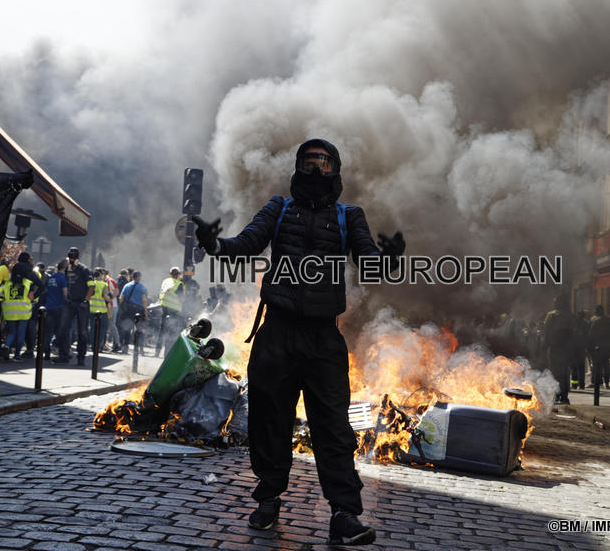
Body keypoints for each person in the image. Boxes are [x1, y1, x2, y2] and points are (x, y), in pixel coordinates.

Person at [193, 138, 404, 546]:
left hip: (322, 337)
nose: (315, 170)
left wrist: (390, 257)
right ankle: (269, 499)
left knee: (333, 427)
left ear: (335, 169)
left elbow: (369, 262)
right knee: (270, 421)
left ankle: (344, 514)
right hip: (277, 334)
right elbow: (246, 244)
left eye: (323, 163)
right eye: (308, 162)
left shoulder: (349, 216)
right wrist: (214, 245)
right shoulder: (279, 208)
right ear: (297, 167)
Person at [54, 247, 92, 365]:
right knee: (62, 329)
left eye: (73, 257)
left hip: (82, 303)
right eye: (70, 257)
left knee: (82, 332)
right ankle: (63, 355)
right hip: (69, 303)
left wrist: (85, 301)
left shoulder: (84, 270)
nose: (71, 259)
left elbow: (91, 287)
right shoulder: (66, 270)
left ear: (77, 258)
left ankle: (81, 358)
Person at [0, 263, 35, 362]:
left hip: (9, 312)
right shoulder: (28, 283)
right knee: (21, 333)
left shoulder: (7, 283)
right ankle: (17, 355)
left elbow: (2, 295)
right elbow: (31, 297)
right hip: (23, 312)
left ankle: (7, 346)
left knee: (11, 332)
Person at [544, 295, 573, 404]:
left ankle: (558, 395)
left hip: (556, 348)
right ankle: (563, 396)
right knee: (563, 372)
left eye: (555, 302)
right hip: (564, 348)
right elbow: (571, 332)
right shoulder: (569, 315)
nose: (554, 304)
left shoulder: (551, 315)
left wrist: (545, 345)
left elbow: (546, 331)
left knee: (556, 373)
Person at [154, 267, 184, 357]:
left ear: (170, 274)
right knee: (171, 332)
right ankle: (167, 354)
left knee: (162, 331)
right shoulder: (179, 284)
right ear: (178, 275)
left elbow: (160, 293)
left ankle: (157, 352)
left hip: (164, 309)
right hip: (174, 311)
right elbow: (182, 298)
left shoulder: (165, 281)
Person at [42, 260, 69, 360]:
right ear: (64, 268)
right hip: (59, 307)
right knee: (60, 331)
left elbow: (46, 290)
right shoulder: (62, 278)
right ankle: (61, 351)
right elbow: (65, 293)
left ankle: (47, 352)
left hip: (49, 307)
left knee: (48, 331)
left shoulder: (51, 278)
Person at [118, 271, 149, 354]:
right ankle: (140, 349)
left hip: (129, 309)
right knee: (139, 329)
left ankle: (125, 348)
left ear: (132, 277)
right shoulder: (142, 287)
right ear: (139, 277)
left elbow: (121, 298)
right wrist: (146, 313)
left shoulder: (127, 285)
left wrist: (122, 308)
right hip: (139, 310)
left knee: (128, 328)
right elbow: (144, 300)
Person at [587, 305, 610, 389]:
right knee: (606, 364)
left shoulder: (594, 320)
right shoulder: (609, 321)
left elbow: (591, 334)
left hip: (597, 346)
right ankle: (606, 382)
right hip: (606, 345)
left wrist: (589, 344)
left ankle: (595, 381)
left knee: (596, 364)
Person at [87, 269, 112, 356]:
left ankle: (91, 344)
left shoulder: (90, 283)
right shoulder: (103, 284)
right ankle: (97, 345)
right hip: (102, 310)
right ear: (100, 276)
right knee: (103, 328)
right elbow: (105, 296)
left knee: (92, 327)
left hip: (91, 309)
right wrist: (110, 299)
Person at [103, 268, 122, 352]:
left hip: (111, 306)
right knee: (110, 325)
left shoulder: (109, 280)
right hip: (111, 305)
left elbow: (117, 292)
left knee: (111, 325)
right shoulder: (110, 280)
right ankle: (106, 344)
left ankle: (117, 344)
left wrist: (110, 299)